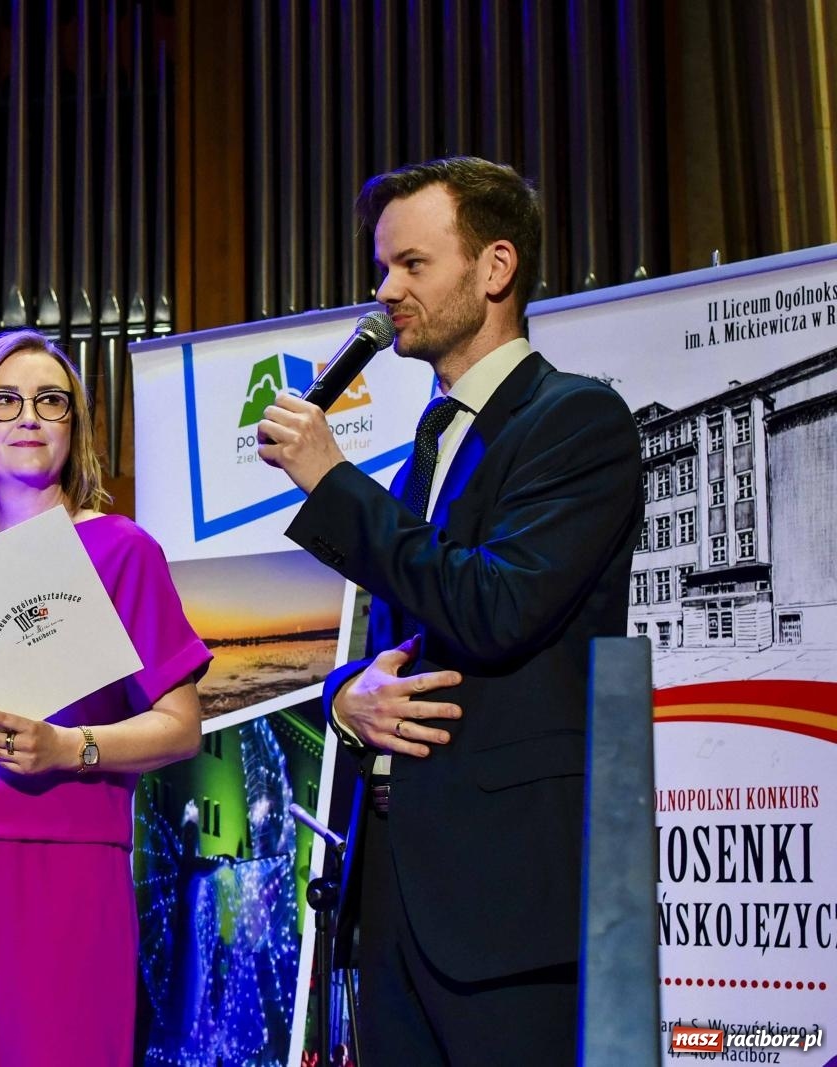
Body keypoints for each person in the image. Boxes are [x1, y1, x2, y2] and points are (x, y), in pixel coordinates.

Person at [257, 157, 642, 1065]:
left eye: (412, 265)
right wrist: (346, 696)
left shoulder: (576, 420)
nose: (385, 289)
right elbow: (403, 639)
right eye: (383, 266)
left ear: (495, 268)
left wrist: (329, 480)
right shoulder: (429, 447)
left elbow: (496, 607)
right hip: (398, 901)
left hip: (505, 903)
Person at [0, 329, 211, 1066]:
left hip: (65, 860)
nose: (28, 416)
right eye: (6, 400)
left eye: (50, 401)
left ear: (74, 426)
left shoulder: (121, 549)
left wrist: (68, 746)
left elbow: (182, 727)